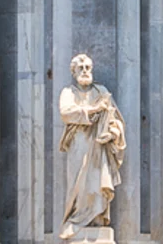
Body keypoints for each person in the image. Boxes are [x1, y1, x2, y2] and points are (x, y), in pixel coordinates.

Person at [57, 53, 125, 241]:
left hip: (99, 147)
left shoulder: (101, 92)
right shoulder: (68, 92)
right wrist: (94, 109)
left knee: (97, 184)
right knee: (78, 185)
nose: (85, 71)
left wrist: (113, 133)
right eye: (81, 68)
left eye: (88, 67)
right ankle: (75, 219)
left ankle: (96, 218)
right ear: (73, 72)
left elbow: (116, 120)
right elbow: (66, 113)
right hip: (78, 143)